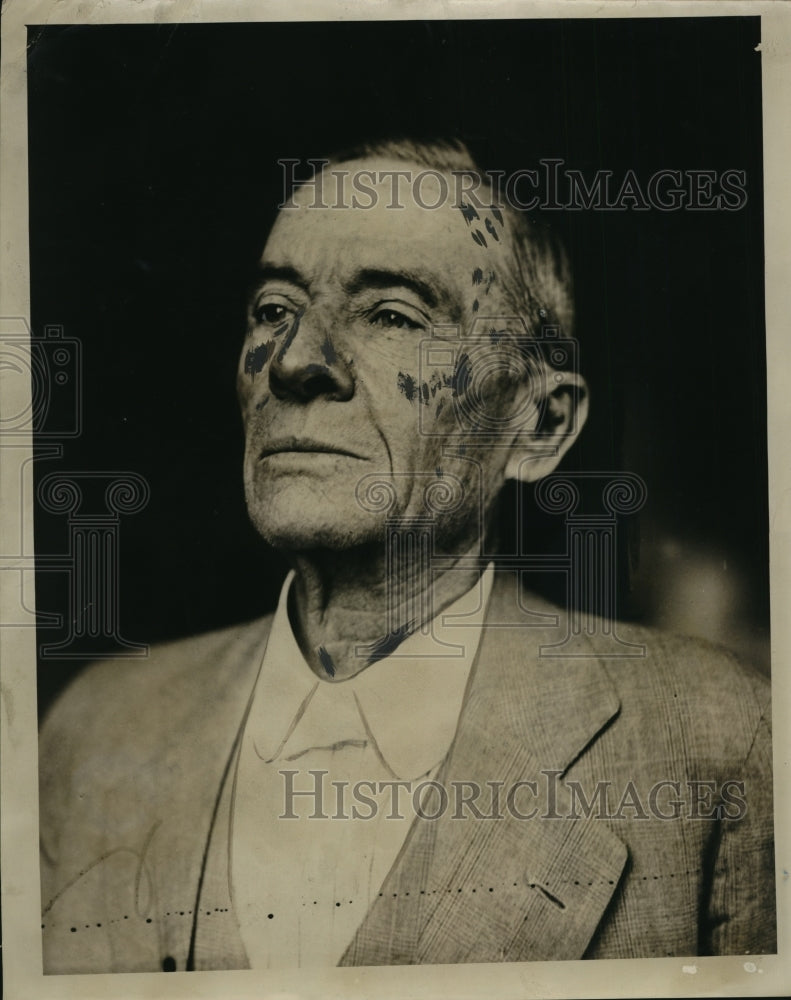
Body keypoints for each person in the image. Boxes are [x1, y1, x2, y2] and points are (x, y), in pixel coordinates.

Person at [39, 138, 775, 973]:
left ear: (537, 426)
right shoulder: (95, 730)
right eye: (274, 309)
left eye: (392, 315)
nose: (296, 361)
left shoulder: (718, 737)